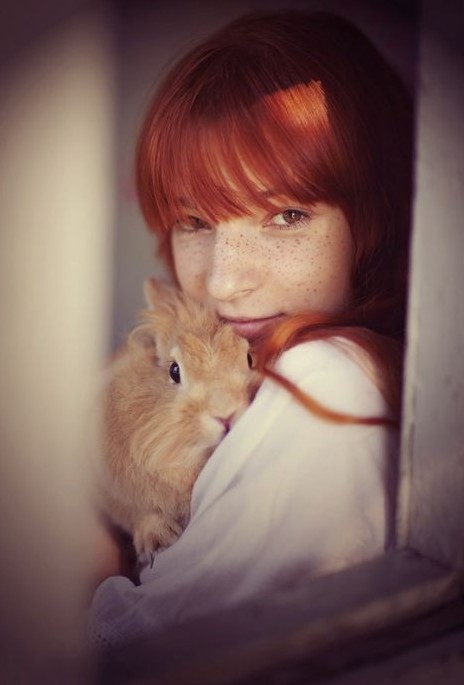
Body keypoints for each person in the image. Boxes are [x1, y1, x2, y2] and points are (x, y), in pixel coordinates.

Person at [88, 9, 413, 649]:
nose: (221, 282)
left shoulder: (328, 383)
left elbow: (147, 652)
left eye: (286, 214)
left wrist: (89, 547)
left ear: (375, 219)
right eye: (195, 221)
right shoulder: (248, 356)